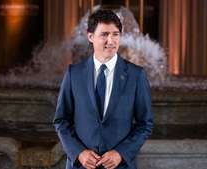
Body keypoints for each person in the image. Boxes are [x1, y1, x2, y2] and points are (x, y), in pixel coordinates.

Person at [54, 9, 153, 169]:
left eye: (115, 34)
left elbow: (145, 124)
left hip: (120, 166)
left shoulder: (136, 75)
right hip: (81, 165)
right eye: (104, 34)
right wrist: (79, 153)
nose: (111, 40)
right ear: (90, 36)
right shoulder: (74, 74)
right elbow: (61, 120)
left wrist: (121, 153)